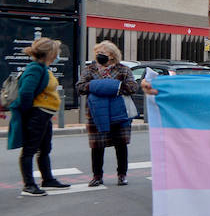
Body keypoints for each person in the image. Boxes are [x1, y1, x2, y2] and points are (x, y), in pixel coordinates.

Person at [7, 37, 69, 196]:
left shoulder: (42, 68)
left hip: (43, 115)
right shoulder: (35, 68)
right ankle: (29, 185)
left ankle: (47, 179)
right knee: (30, 149)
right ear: (49, 53)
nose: (57, 55)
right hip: (37, 115)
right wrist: (32, 113)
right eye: (55, 52)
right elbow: (26, 92)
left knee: (44, 148)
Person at [76, 41, 139, 187]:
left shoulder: (123, 70)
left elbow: (132, 87)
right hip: (96, 113)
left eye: (103, 52)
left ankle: (122, 175)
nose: (99, 55)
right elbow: (80, 88)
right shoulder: (89, 70)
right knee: (97, 146)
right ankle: (97, 176)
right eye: (97, 52)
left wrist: (102, 87)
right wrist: (109, 86)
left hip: (119, 113)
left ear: (112, 55)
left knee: (121, 145)